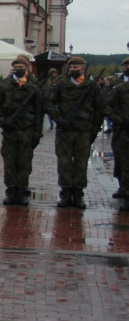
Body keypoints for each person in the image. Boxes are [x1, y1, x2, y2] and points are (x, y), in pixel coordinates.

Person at [46, 56, 104, 209]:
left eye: (76, 68)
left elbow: (99, 109)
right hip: (65, 130)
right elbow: (48, 102)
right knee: (64, 162)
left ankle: (78, 194)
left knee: (80, 163)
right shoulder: (60, 84)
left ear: (83, 69)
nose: (73, 70)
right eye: (71, 68)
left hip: (83, 131)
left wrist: (93, 130)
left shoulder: (91, 86)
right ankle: (65, 193)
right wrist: (59, 119)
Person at [0, 54, 45, 206]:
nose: (18, 70)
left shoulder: (33, 88)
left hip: (26, 131)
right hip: (10, 131)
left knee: (24, 163)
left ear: (26, 68)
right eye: (15, 68)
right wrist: (3, 122)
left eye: (20, 68)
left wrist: (37, 133)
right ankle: (11, 191)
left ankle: (21, 191)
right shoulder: (5, 85)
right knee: (9, 162)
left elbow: (39, 112)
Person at [108, 57, 129, 212]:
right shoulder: (117, 84)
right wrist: (118, 120)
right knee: (122, 161)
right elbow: (107, 105)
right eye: (125, 65)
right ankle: (124, 189)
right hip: (122, 130)